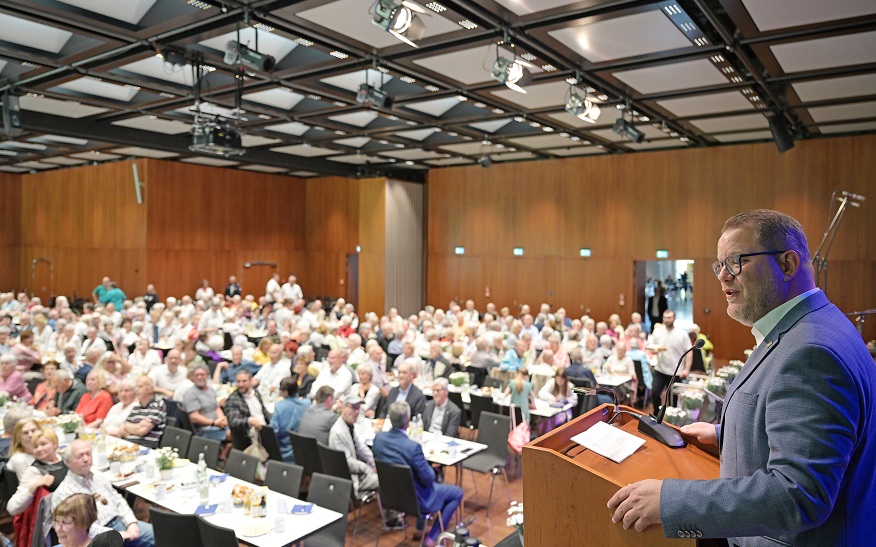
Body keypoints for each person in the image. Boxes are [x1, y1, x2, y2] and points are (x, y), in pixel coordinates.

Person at [608, 209, 876, 544]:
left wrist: (670, 502)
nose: (722, 276)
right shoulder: (815, 325)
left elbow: (798, 495)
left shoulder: (810, 352)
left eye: (736, 261)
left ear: (787, 265)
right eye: (719, 264)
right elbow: (814, 435)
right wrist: (727, 434)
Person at [372, 401, 464, 547]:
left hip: (390, 497)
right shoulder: (412, 447)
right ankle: (432, 538)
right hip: (417, 501)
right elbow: (428, 478)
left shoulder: (378, 439)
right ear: (408, 422)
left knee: (421, 482)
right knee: (456, 492)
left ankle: (421, 529)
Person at [52, 440, 155, 546]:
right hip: (97, 537)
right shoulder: (64, 493)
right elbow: (81, 528)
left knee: (158, 535)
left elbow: (118, 500)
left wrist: (131, 523)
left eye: (88, 454)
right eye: (80, 456)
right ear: (68, 462)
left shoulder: (98, 477)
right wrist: (116, 535)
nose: (86, 459)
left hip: (120, 522)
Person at [7, 428, 67, 515]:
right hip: (58, 516)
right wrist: (33, 487)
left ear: (55, 444)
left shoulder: (66, 458)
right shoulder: (34, 471)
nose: (39, 449)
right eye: (35, 446)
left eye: (43, 444)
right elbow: (12, 508)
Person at [327, 396, 379, 497]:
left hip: (358, 473)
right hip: (351, 479)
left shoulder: (348, 426)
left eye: (358, 408)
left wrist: (374, 462)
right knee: (386, 479)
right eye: (353, 408)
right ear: (343, 408)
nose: (356, 412)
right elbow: (347, 462)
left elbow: (360, 446)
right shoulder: (337, 432)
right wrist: (367, 468)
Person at [647, 309, 692, 412]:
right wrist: (654, 350)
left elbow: (689, 351)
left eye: (669, 318)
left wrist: (687, 369)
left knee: (673, 400)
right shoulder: (657, 331)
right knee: (655, 393)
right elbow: (653, 347)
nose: (667, 320)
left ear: (674, 318)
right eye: (665, 318)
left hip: (675, 371)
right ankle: (656, 415)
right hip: (660, 369)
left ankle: (672, 419)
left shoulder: (682, 334)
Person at [224, 369, 270, 450]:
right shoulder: (233, 399)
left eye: (244, 381)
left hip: (264, 431)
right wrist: (249, 421)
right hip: (248, 438)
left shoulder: (255, 393)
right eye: (238, 381)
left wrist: (273, 421)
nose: (241, 384)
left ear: (251, 381)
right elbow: (233, 421)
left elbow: (264, 411)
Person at [183, 364, 229, 442]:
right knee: (234, 435)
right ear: (193, 377)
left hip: (216, 424)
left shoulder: (211, 390)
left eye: (202, 375)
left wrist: (222, 419)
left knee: (237, 431)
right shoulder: (191, 393)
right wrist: (214, 423)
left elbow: (216, 408)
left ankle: (223, 452)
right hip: (204, 430)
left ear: (207, 376)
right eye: (197, 375)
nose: (200, 377)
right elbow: (194, 417)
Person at [269, 377, 310, 462]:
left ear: (285, 392)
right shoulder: (307, 403)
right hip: (303, 450)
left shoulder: (280, 406)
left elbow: (273, 431)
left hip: (284, 452)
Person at [121, 376, 166, 449]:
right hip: (129, 444)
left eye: (140, 387)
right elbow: (122, 429)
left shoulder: (157, 405)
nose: (136, 390)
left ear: (150, 389)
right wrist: (138, 426)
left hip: (145, 447)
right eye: (136, 387)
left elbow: (142, 431)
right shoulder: (136, 407)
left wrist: (130, 428)